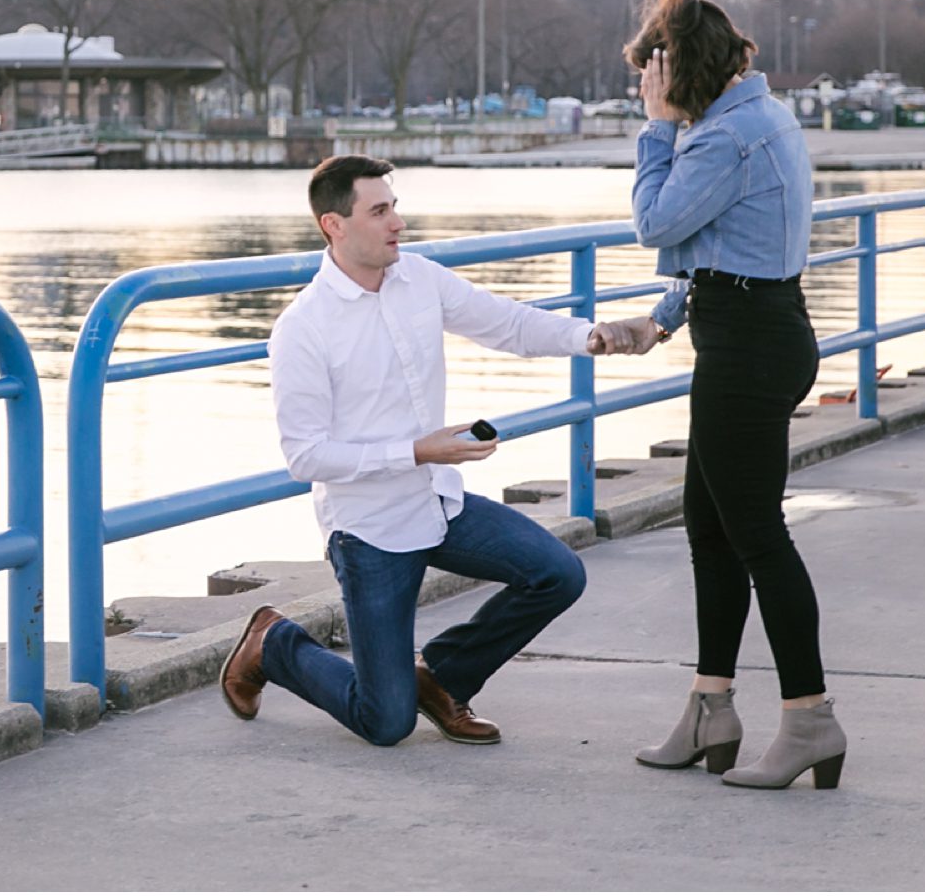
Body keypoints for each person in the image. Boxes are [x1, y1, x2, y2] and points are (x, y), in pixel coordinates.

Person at [219, 154, 644, 747]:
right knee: (385, 723)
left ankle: (441, 678)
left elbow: (508, 323)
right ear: (333, 225)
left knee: (557, 574)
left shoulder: (418, 277)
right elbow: (305, 457)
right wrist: (417, 451)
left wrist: (589, 336)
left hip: (439, 503)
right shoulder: (303, 327)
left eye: (394, 207)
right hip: (369, 529)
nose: (398, 222)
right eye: (379, 211)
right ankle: (274, 643)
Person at [604, 0, 845, 791]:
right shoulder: (758, 117)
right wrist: (664, 317)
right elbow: (724, 248)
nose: (648, 88)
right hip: (757, 329)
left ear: (679, 72)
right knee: (712, 530)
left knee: (758, 537)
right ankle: (712, 707)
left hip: (747, 349)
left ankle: (809, 719)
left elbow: (657, 223)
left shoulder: (720, 137)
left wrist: (655, 128)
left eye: (653, 75)